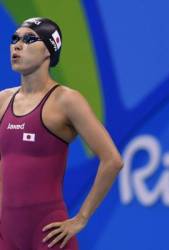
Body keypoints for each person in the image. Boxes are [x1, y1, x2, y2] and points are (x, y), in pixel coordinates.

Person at [0, 17, 123, 249]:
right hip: (6, 232)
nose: (17, 45)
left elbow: (112, 160)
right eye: (14, 38)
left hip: (47, 232)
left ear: (49, 50)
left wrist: (81, 218)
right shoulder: (3, 99)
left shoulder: (66, 101)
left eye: (28, 39)